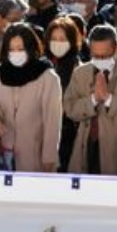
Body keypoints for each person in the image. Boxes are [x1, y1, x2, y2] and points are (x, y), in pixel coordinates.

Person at [64, 24, 117, 175]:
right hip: (85, 145)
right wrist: (93, 99)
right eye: (95, 55)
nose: (99, 60)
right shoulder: (80, 73)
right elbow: (69, 108)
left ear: (116, 50)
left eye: (104, 56)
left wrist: (108, 98)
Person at [0, 23, 62, 172]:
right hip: (2, 154)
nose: (16, 53)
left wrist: (50, 158)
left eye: (20, 49)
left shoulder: (47, 77)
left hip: (35, 156)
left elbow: (52, 122)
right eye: (11, 50)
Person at [43, 16, 83, 170]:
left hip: (68, 133)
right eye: (54, 38)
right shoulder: (42, 65)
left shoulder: (78, 68)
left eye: (63, 39)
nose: (58, 43)